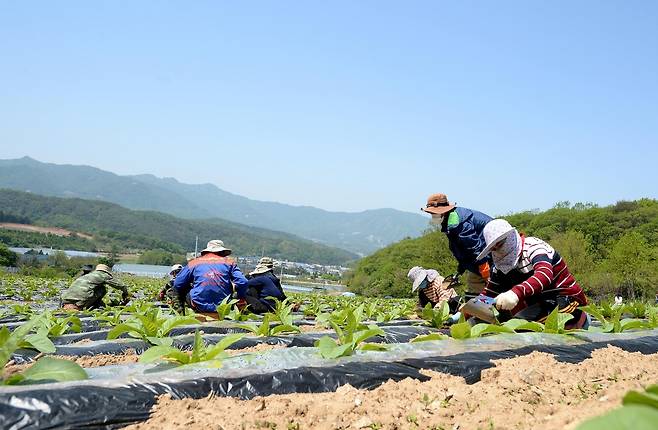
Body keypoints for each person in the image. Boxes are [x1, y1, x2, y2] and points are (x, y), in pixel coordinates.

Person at [476, 219, 589, 329]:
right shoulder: (500, 266)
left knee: (521, 326)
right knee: (499, 324)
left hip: (566, 300)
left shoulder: (534, 247)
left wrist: (515, 293)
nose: (498, 250)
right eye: (493, 248)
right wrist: (471, 308)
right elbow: (490, 294)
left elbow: (544, 275)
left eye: (500, 244)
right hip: (539, 305)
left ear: (511, 237)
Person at [421, 193, 493, 294]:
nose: (433, 216)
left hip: (491, 256)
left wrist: (484, 268)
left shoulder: (459, 222)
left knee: (488, 288)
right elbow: (461, 247)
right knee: (474, 287)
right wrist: (461, 267)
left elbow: (475, 247)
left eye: (434, 213)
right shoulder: (450, 220)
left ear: (443, 211)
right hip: (480, 259)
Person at [173, 240, 248, 314]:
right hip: (223, 306)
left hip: (198, 304)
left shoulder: (194, 263)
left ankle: (179, 315)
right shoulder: (229, 263)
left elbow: (177, 283)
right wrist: (241, 298)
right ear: (222, 252)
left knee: (178, 289)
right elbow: (243, 282)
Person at [61, 264, 130, 310]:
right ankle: (86, 305)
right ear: (106, 271)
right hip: (82, 299)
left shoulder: (88, 275)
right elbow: (120, 285)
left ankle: (73, 305)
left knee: (94, 288)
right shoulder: (103, 275)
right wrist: (126, 293)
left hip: (66, 298)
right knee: (102, 289)